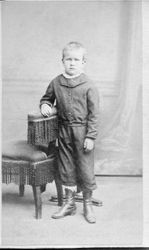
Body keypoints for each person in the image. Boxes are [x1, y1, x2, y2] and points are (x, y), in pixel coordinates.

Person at [40, 41, 99, 223]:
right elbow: (47, 98)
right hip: (63, 132)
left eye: (76, 59)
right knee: (66, 167)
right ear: (62, 61)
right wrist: (45, 105)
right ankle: (69, 204)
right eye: (68, 59)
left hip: (82, 133)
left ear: (83, 62)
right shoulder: (56, 82)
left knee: (85, 168)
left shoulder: (89, 85)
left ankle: (87, 204)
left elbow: (94, 114)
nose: (72, 63)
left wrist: (90, 136)